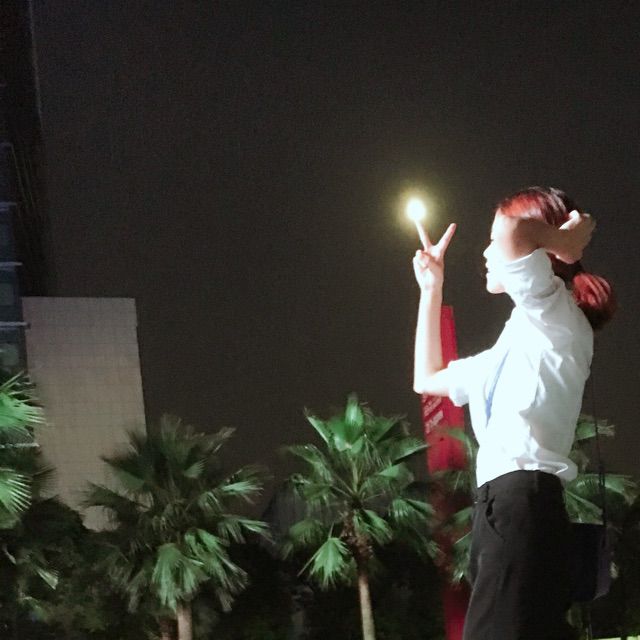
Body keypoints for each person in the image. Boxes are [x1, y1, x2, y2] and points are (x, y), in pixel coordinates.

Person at [412, 187, 616, 640]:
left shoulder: (555, 313)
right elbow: (426, 379)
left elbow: (511, 230)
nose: (487, 253)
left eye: (490, 243)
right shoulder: (515, 344)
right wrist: (431, 289)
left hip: (522, 501)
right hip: (503, 509)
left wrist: (560, 242)